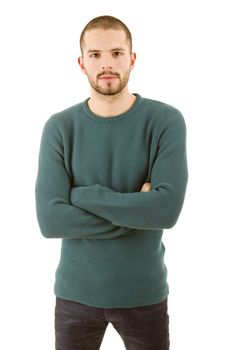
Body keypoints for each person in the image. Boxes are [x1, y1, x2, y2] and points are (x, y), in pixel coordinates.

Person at [35, 15, 188, 350]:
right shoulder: (60, 128)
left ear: (132, 59)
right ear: (81, 63)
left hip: (144, 294)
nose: (107, 64)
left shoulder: (164, 121)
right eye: (95, 55)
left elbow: (165, 211)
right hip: (75, 295)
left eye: (117, 53)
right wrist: (135, 212)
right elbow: (50, 220)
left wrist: (82, 196)